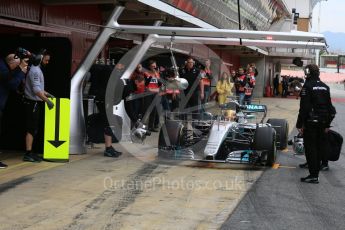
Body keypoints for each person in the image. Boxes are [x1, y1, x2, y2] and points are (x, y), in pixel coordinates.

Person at [296, 64, 336, 184]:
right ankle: (317, 171)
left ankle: (314, 175)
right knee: (319, 147)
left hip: (311, 123)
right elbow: (330, 108)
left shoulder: (307, 86)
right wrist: (328, 125)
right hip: (323, 122)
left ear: (308, 72)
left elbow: (304, 108)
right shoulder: (325, 87)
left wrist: (299, 124)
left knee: (311, 148)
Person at [23, 51, 55, 162]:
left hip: (34, 103)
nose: (47, 62)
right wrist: (47, 101)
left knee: (34, 128)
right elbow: (36, 90)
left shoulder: (36, 70)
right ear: (40, 59)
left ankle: (31, 152)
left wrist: (47, 94)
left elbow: (39, 89)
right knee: (31, 129)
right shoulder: (35, 71)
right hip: (32, 103)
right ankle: (28, 153)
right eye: (46, 60)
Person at [89, 63, 123, 157]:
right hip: (104, 99)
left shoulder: (108, 72)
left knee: (108, 123)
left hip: (103, 99)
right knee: (108, 123)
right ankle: (108, 148)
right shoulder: (109, 73)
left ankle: (109, 147)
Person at [0, 52, 27, 168]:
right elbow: (12, 84)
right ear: (10, 63)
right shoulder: (3, 70)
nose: (15, 69)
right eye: (15, 66)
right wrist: (21, 71)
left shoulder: (4, 67)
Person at [144, 60, 161, 132]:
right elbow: (146, 83)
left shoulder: (157, 73)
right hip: (148, 93)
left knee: (154, 110)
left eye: (155, 66)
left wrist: (157, 76)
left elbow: (159, 84)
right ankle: (143, 126)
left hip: (155, 93)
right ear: (149, 66)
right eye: (153, 66)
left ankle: (151, 126)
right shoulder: (146, 73)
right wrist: (152, 75)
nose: (154, 67)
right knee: (146, 110)